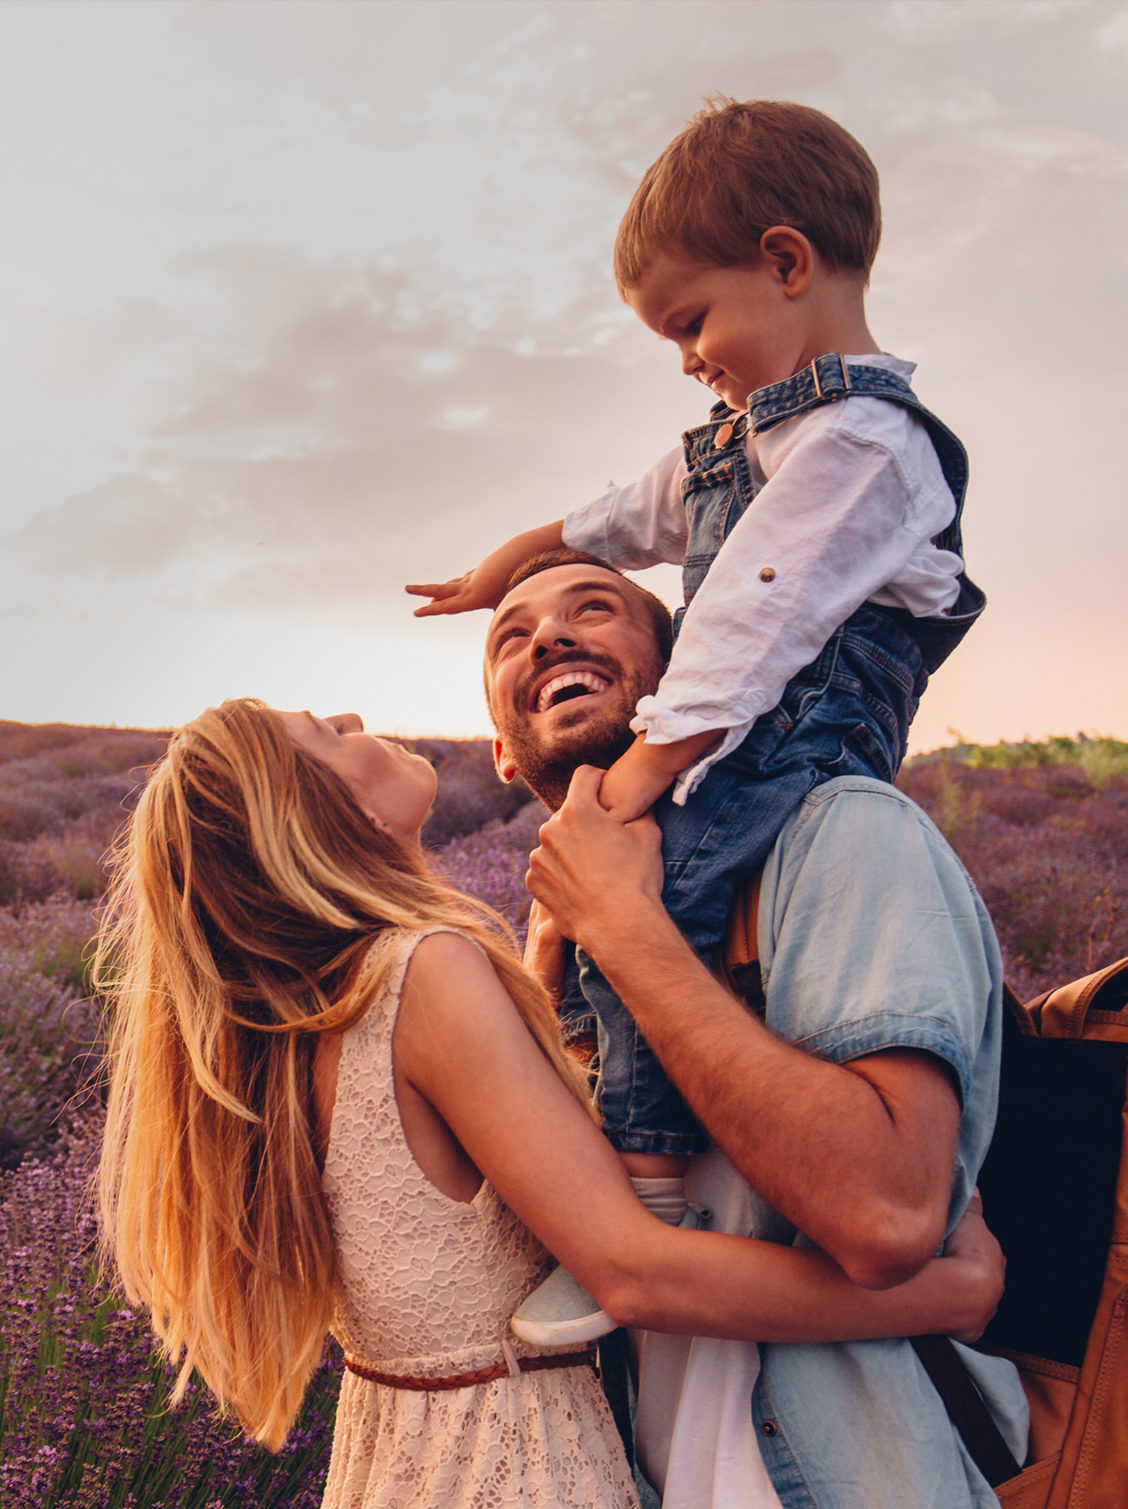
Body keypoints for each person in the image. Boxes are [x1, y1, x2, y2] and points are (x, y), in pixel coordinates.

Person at [89, 697, 1003, 1509]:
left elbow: (449, 1185)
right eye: (327, 735)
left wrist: (538, 969)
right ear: (331, 815)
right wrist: (937, 1293)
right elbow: (636, 1272)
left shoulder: (305, 1020)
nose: (356, 716)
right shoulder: (424, 973)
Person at [406, 99, 987, 1347]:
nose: (684, 357)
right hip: (740, 721)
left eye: (690, 322)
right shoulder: (749, 437)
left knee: (655, 885)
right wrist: (521, 550)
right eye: (512, 637)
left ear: (786, 262)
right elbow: (626, 513)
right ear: (500, 752)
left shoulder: (861, 443)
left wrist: (646, 779)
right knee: (617, 892)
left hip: (806, 732)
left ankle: (643, 1182)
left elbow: (747, 629)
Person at [488, 550, 1026, 1509]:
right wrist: (561, 956)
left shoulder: (839, 837)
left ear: (694, 675)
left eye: (592, 609)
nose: (548, 635)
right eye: (511, 635)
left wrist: (627, 930)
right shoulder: (552, 964)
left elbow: (884, 1211)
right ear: (504, 758)